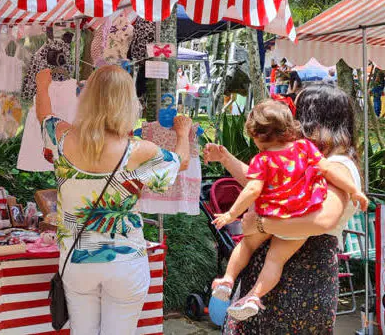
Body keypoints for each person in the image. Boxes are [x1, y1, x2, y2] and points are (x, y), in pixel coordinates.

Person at [35, 66, 192, 335]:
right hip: (126, 260)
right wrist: (182, 133)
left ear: (87, 98)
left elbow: (44, 115)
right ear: (127, 101)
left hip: (76, 260)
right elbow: (182, 162)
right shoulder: (139, 150)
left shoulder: (62, 137)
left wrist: (42, 86)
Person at [204, 83, 362, 333]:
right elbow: (261, 182)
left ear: (312, 118)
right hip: (285, 281)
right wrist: (226, 158)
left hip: (299, 279)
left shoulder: (337, 164)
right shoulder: (303, 156)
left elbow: (322, 221)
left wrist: (260, 224)